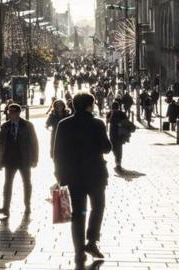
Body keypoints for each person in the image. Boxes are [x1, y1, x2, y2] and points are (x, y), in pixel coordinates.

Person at [53, 93, 112, 266]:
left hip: (73, 177)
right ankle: (92, 241)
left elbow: (57, 153)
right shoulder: (97, 123)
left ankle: (79, 251)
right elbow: (107, 148)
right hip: (95, 175)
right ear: (89, 106)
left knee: (78, 213)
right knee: (98, 207)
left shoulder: (64, 124)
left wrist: (60, 175)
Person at [0, 104, 39, 217]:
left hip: (24, 159)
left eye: (13, 112)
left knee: (27, 183)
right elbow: (1, 145)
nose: (10, 114)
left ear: (19, 113)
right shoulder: (5, 126)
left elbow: (34, 143)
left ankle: (27, 206)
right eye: (9, 112)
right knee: (8, 184)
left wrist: (35, 159)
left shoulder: (28, 125)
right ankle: (5, 208)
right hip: (10, 160)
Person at [107, 101, 128, 170]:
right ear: (118, 106)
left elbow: (107, 121)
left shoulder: (110, 113)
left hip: (112, 133)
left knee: (114, 147)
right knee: (119, 148)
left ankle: (117, 160)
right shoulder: (122, 113)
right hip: (120, 134)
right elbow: (126, 122)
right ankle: (118, 161)